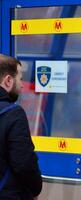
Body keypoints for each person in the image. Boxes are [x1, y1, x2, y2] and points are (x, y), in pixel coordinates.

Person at [0, 54, 42, 199]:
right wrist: (36, 189)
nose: (23, 85)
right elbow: (24, 163)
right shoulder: (13, 114)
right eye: (20, 78)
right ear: (8, 81)